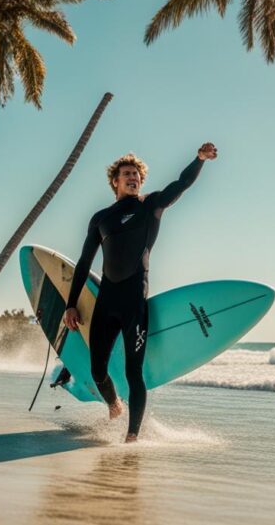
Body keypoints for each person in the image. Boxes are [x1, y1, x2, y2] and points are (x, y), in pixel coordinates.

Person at [57, 142, 218, 443]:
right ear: (115, 182)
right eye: (126, 174)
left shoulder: (151, 205)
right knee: (97, 370)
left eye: (136, 174)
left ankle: (132, 436)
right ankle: (114, 405)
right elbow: (84, 263)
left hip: (134, 302)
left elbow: (181, 184)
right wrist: (70, 304)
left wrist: (199, 159)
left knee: (134, 372)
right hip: (106, 301)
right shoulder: (100, 219)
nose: (132, 178)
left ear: (141, 181)